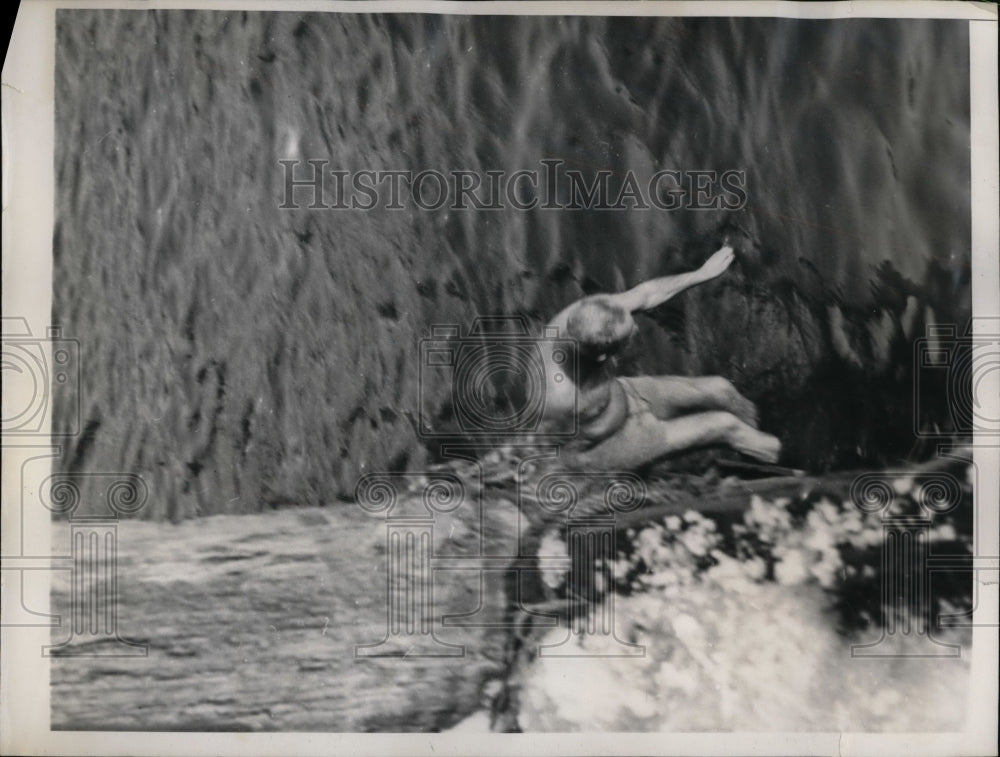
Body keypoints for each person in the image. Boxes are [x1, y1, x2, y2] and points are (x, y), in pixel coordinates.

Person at [540, 245, 781, 470]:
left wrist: (702, 273)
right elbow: (559, 453)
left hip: (623, 396)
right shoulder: (557, 398)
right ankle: (790, 465)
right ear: (603, 354)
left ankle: (757, 449)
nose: (635, 329)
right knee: (725, 426)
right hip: (609, 446)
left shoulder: (588, 313)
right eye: (627, 336)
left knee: (721, 389)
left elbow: (647, 294)